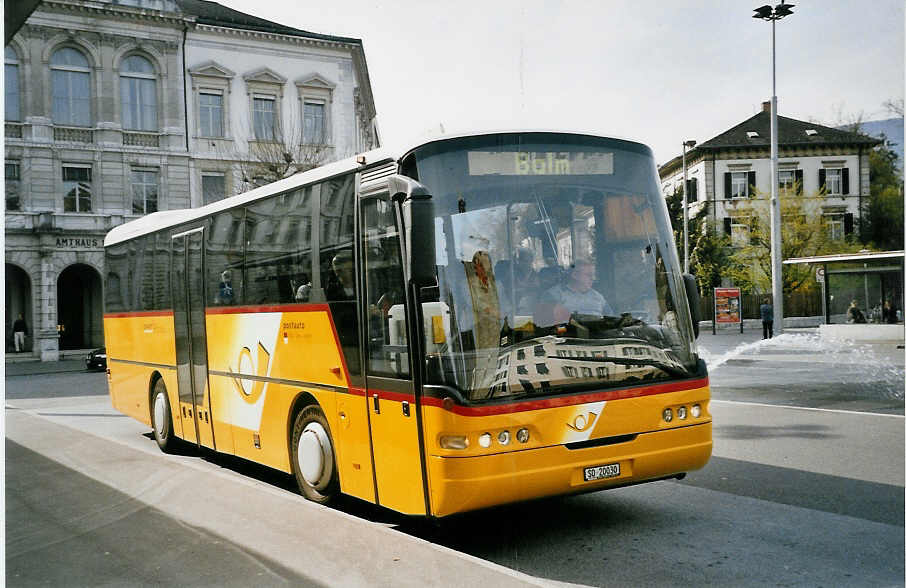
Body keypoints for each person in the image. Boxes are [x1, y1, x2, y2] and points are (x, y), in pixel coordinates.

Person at [546, 261, 614, 321]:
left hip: (599, 333)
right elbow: (550, 324)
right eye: (589, 275)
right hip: (569, 334)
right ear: (575, 275)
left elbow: (611, 320)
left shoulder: (598, 296)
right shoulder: (555, 294)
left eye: (593, 275)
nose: (593, 278)